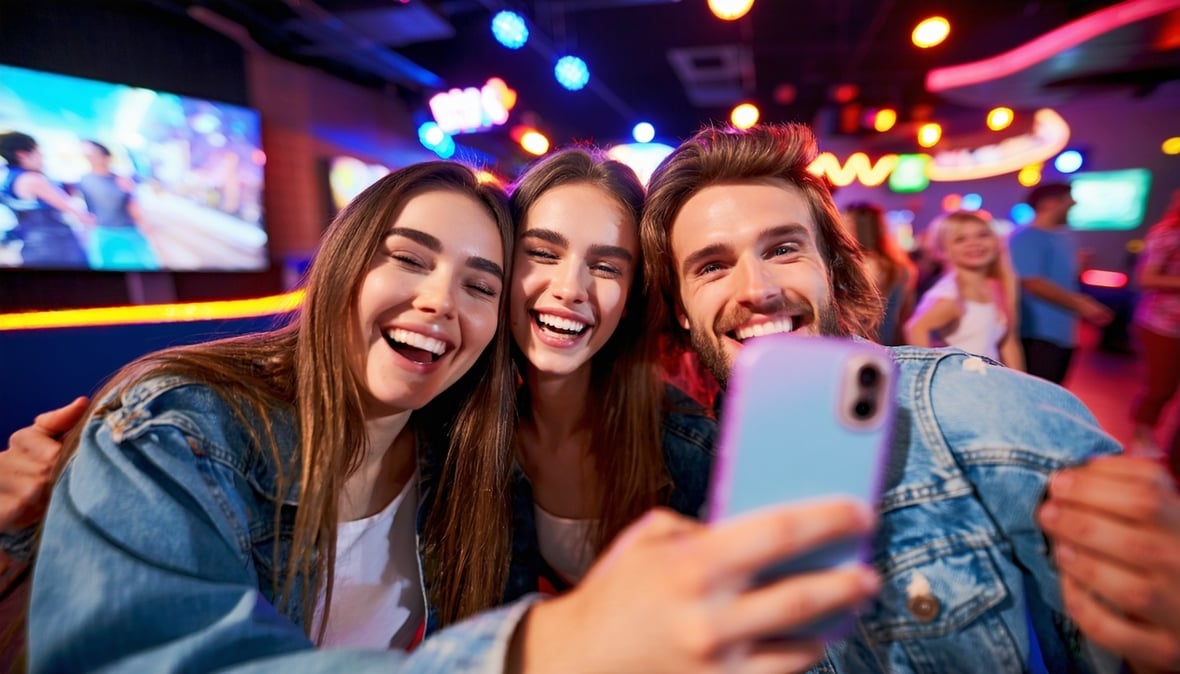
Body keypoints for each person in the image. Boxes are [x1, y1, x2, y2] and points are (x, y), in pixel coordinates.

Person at [22, 160, 879, 674]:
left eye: (476, 281)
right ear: (344, 264)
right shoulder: (193, 427)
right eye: (538, 256)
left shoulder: (641, 435)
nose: (570, 289)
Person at [640, 122, 1180, 673]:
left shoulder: (969, 410)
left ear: (832, 269)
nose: (757, 289)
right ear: (682, 309)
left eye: (783, 249)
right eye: (712, 266)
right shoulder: (689, 464)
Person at [497, 147, 716, 598]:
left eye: (604, 267)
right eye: (542, 253)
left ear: (633, 294)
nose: (570, 289)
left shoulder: (688, 447)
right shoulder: (461, 434)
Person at [1008, 182, 1113, 384]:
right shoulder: (1026, 237)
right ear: (1049, 204)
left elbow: (1065, 278)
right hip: (1036, 333)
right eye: (1068, 198)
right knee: (1037, 395)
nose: (1074, 203)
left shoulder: (1065, 236)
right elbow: (1033, 283)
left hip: (1064, 331)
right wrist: (1081, 305)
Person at [904, 209, 1024, 368]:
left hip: (989, 383)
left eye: (982, 235)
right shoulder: (950, 293)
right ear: (943, 250)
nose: (974, 243)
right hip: (962, 386)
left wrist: (1022, 384)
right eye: (960, 239)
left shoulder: (996, 286)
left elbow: (1008, 340)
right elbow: (916, 328)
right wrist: (932, 374)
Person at [1129, 188, 1180, 474]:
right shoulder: (1167, 233)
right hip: (1163, 322)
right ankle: (1141, 437)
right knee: (1161, 387)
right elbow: (1147, 277)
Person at [0, 131, 94, 268]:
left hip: (32, 246)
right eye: (39, 153)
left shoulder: (10, 179)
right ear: (21, 154)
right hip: (58, 246)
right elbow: (72, 208)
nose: (43, 158)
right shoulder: (33, 179)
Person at [75, 139, 160, 270]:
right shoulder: (84, 180)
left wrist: (145, 223)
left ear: (106, 156)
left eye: (94, 153)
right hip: (103, 233)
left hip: (129, 232)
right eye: (87, 154)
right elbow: (88, 209)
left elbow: (133, 204)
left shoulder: (122, 179)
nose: (90, 156)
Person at [841, 201, 915, 345]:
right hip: (890, 342)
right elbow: (904, 314)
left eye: (847, 222)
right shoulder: (896, 265)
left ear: (859, 227)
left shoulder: (866, 265)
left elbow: (860, 315)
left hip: (868, 343)